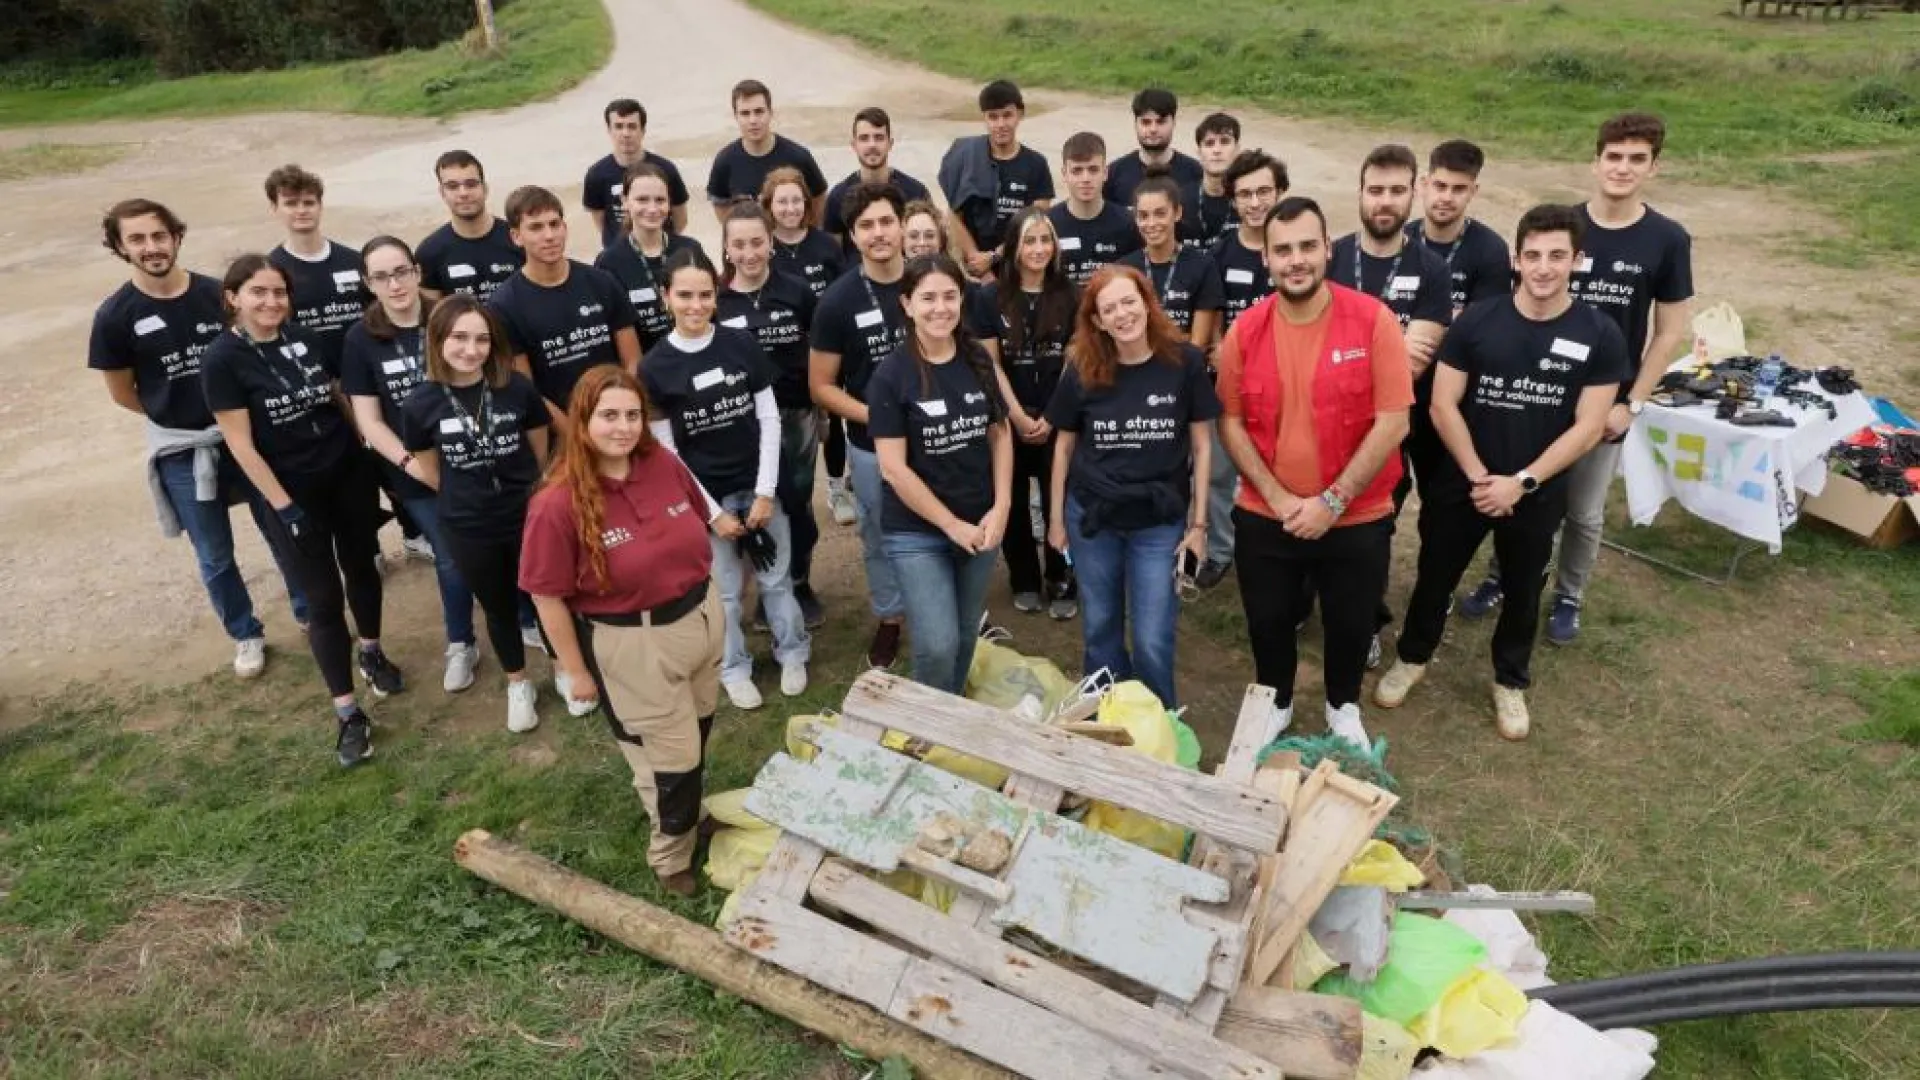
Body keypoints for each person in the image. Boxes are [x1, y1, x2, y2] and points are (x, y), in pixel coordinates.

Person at [1374, 204, 1631, 739]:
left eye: (1557, 256)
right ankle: (1413, 657)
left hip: (1536, 492)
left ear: (1576, 261)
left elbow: (1589, 426)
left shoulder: (1599, 333)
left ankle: (1509, 680)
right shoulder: (1477, 320)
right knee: (1435, 574)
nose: (1543, 268)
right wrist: (1478, 477)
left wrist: (1523, 482)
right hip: (1463, 482)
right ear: (1516, 258)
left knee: (1522, 589)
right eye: (1533, 255)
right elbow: (1443, 405)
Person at [1457, 114, 1692, 644]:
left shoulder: (1666, 240)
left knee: (1582, 512)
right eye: (1614, 156)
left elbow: (1670, 329)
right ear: (1596, 162)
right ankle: (1503, 577)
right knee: (1519, 490)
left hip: (1605, 401)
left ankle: (1568, 594)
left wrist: (1631, 402)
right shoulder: (1560, 227)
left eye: (1637, 159)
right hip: (1538, 395)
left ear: (1654, 167)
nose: (1623, 168)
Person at [1216, 197, 1415, 747]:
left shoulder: (1373, 321)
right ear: (1267, 259)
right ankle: (1275, 702)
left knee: (1351, 624)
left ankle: (1341, 706)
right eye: (1283, 250)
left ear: (1328, 248)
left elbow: (1394, 422)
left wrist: (1333, 501)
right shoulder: (1245, 332)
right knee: (1268, 621)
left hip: (1357, 516)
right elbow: (1230, 423)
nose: (1296, 260)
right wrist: (1280, 499)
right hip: (1265, 513)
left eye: (1307, 246)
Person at [520, 365, 725, 897]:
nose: (624, 427)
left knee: (694, 734)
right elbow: (547, 595)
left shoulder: (664, 464)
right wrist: (575, 671)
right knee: (671, 762)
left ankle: (689, 814)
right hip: (635, 641)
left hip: (700, 617)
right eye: (609, 415)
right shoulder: (555, 503)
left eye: (633, 414)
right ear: (582, 421)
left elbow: (698, 525)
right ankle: (671, 858)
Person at [89, 198, 308, 678]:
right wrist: (178, 413)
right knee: (214, 552)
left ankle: (308, 611)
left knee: (283, 529)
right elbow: (123, 393)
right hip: (186, 447)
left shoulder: (217, 294)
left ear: (176, 237)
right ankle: (246, 634)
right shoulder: (114, 316)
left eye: (159, 236)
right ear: (120, 247)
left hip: (250, 439)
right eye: (138, 239)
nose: (152, 247)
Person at [202, 254, 399, 768]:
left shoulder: (304, 338)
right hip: (290, 493)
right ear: (233, 297)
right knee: (322, 599)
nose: (271, 302)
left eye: (279, 293)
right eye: (258, 292)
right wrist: (285, 507)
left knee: (362, 568)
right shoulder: (222, 359)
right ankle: (348, 712)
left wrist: (364, 447)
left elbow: (335, 394)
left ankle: (373, 651)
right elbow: (241, 446)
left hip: (345, 475)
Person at [643, 250, 811, 709]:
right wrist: (712, 513)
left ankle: (792, 651)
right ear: (666, 297)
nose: (695, 305)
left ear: (715, 295)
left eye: (704, 295)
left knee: (777, 581)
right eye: (684, 295)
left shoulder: (741, 345)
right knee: (725, 593)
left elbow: (770, 417)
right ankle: (733, 666)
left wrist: (764, 492)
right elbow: (667, 453)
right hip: (706, 499)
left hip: (758, 486)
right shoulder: (654, 367)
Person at [1045, 265, 1218, 710]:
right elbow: (1063, 447)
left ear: (1146, 301)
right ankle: (1105, 717)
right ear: (1097, 321)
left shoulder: (1185, 362)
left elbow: (1201, 443)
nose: (1122, 314)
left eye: (1129, 301)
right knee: (1100, 626)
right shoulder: (1082, 367)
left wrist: (1198, 524)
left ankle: (1159, 725)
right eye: (1109, 309)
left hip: (1158, 521)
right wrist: (1056, 519)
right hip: (1094, 517)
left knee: (1151, 636)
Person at [402, 295, 553, 733]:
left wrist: (525, 486)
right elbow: (430, 470)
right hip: (469, 523)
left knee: (547, 595)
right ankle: (518, 683)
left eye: (482, 339)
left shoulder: (515, 387)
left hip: (526, 514)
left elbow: (537, 446)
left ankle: (564, 669)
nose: (471, 349)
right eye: (460, 338)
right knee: (499, 605)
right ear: (438, 339)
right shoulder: (419, 404)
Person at [1328, 144, 1454, 660]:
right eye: (1375, 190)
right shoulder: (1331, 257)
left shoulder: (1432, 269)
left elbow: (1413, 366)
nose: (1385, 201)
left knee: (1374, 531)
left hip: (1399, 427)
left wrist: (1346, 355)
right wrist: (1387, 349)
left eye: (1396, 191)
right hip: (1330, 422)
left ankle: (1367, 621)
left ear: (1414, 194)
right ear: (1359, 193)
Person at [340, 236, 483, 694]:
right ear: (368, 283)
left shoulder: (450, 315)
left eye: (401, 271)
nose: (394, 283)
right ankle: (461, 642)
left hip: (475, 453)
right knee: (451, 553)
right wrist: (411, 464)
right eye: (381, 276)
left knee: (501, 540)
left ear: (417, 271)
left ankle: (524, 620)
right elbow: (368, 419)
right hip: (415, 471)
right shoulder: (361, 338)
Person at [868, 252, 1013, 694]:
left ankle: (949, 710)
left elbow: (1000, 434)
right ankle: (927, 726)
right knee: (936, 643)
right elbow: (893, 469)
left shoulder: (977, 360)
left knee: (966, 632)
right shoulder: (891, 376)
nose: (940, 308)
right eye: (927, 298)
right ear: (907, 304)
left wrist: (1002, 504)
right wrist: (950, 525)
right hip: (918, 532)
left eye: (950, 296)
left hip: (981, 524)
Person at [810, 182, 911, 669]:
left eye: (886, 221)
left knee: (948, 518)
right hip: (872, 443)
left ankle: (957, 612)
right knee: (879, 531)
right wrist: (879, 416)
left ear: (903, 224)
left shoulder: (930, 281)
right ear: (852, 235)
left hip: (940, 437)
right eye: (866, 226)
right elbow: (822, 386)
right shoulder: (838, 301)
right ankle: (891, 618)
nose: (879, 233)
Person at [716, 200, 826, 629]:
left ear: (771, 242)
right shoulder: (719, 302)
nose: (749, 253)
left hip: (796, 415)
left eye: (757, 242)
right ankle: (765, 587)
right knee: (756, 503)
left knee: (796, 503)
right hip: (742, 423)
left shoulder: (798, 291)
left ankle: (798, 581)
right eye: (739, 244)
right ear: (726, 249)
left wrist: (821, 413)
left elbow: (817, 354)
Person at [973, 206, 1078, 619]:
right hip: (1009, 419)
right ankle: (1025, 579)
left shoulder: (1072, 295)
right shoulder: (987, 297)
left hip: (1058, 417)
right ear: (1013, 247)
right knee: (1012, 501)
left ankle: (1062, 575)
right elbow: (990, 363)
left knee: (1062, 497)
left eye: (1045, 240)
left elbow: (1073, 362)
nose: (1038, 249)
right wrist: (1015, 415)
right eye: (1029, 240)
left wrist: (1053, 415)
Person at [1196, 149, 1288, 589]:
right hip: (1229, 384)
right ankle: (1219, 550)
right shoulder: (1219, 253)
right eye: (1246, 194)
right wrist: (1219, 351)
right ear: (1233, 200)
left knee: (1282, 468)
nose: (1256, 203)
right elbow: (1212, 321)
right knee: (1217, 471)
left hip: (1286, 388)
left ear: (1281, 192)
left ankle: (1278, 546)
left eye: (1264, 191)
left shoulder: (1293, 252)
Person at [489, 185, 641, 427]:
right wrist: (574, 435)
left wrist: (624, 414)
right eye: (536, 227)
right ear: (516, 236)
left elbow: (632, 360)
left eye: (554, 224)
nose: (549, 235)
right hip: (562, 432)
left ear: (565, 227)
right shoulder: (503, 305)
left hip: (618, 419)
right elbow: (527, 389)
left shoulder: (601, 281)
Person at [940, 80, 1054, 280]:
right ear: (983, 118)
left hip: (1022, 270)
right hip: (975, 273)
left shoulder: (1036, 164)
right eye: (993, 117)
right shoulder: (966, 156)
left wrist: (993, 257)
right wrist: (976, 261)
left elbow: (1037, 222)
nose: (1001, 124)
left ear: (1020, 114)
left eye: (1007, 115)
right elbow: (954, 214)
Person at [264, 164, 367, 376]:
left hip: (363, 374)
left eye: (309, 202)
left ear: (320, 206)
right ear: (274, 208)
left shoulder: (356, 261)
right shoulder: (269, 271)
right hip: (308, 381)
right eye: (291, 203)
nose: (301, 210)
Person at [595, 163, 706, 350]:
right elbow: (610, 330)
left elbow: (709, 308)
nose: (653, 209)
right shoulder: (609, 262)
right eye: (642, 200)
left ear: (669, 202)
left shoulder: (690, 248)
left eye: (660, 200)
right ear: (625, 201)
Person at [1407, 140, 1513, 321]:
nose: (1447, 198)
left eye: (1459, 189)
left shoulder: (1491, 250)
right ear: (1424, 184)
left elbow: (1486, 323)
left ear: (1473, 191)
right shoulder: (1400, 239)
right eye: (1440, 186)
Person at [1118, 174, 1223, 347]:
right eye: (1143, 216)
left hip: (1185, 367)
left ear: (1177, 213)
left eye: (1160, 214)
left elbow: (1198, 343)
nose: (1151, 223)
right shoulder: (1124, 268)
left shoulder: (1203, 265)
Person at [705, 80, 829, 225]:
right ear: (736, 116)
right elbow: (721, 206)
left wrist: (804, 233)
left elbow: (819, 199)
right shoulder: (725, 161)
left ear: (770, 112)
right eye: (745, 113)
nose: (753, 120)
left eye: (759, 111)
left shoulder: (799, 157)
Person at [416, 149, 523, 302]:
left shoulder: (518, 239)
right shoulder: (429, 252)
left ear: (485, 188)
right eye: (452, 186)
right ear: (442, 193)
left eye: (471, 184)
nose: (463, 193)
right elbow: (433, 318)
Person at [583, 98, 690, 246]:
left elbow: (681, 217)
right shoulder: (596, 174)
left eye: (632, 126)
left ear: (643, 130)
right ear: (609, 130)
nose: (626, 133)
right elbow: (600, 221)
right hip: (618, 256)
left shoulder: (666, 170)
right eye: (619, 126)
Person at [824, 107, 932, 242]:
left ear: (890, 143)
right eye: (864, 138)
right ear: (854, 145)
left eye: (879, 137)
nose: (872, 145)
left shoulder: (916, 193)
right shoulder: (838, 197)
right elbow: (833, 254)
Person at [1048, 132, 1141, 286]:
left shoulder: (1128, 223)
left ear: (1105, 173)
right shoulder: (1048, 224)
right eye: (1077, 171)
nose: (1085, 178)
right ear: (1064, 174)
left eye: (1093, 169)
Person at [1105, 88, 1204, 208]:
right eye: (1146, 122)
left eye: (1161, 122)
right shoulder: (1114, 174)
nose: (1153, 129)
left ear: (1174, 122)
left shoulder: (1195, 173)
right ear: (1135, 124)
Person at [762, 166, 845, 298]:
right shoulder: (761, 249)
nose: (790, 209)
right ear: (769, 205)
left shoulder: (827, 244)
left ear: (805, 202)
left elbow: (842, 292)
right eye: (782, 202)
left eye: (796, 200)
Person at [1182, 113, 1242, 252]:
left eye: (1225, 141)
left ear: (1237, 149)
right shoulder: (1180, 200)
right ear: (1199, 152)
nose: (1217, 150)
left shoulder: (1249, 200)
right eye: (1209, 143)